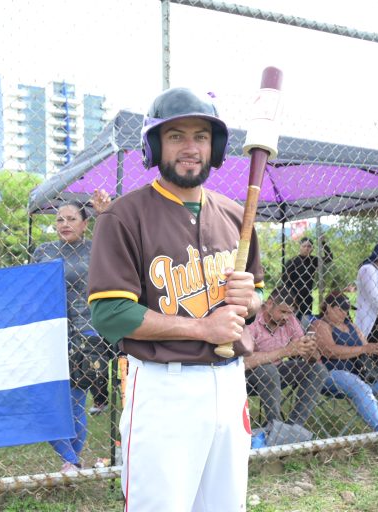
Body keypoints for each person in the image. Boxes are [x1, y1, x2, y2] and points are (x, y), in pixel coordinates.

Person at [88, 87, 264, 511]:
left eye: (201, 136)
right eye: (177, 136)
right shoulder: (124, 216)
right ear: (154, 145)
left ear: (214, 147)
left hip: (229, 380)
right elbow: (110, 314)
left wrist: (250, 300)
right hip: (166, 387)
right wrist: (203, 327)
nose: (191, 147)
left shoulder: (236, 214)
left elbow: (255, 296)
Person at [31, 190, 111, 472]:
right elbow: (30, 287)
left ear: (84, 223)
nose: (64, 224)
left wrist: (105, 214)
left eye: (71, 219)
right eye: (59, 219)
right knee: (45, 397)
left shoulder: (96, 248)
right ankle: (71, 458)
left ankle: (70, 460)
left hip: (86, 333)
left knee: (76, 398)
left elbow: (120, 247)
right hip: (51, 331)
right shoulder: (43, 251)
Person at [313, 292, 378, 432]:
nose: (344, 313)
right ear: (329, 307)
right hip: (331, 374)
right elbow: (330, 351)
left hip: (361, 373)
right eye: (340, 309)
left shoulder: (352, 326)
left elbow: (365, 349)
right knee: (359, 385)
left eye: (347, 309)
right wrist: (364, 348)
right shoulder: (320, 325)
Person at [245, 286, 328, 430]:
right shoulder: (252, 318)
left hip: (276, 372)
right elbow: (244, 362)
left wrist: (311, 351)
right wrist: (286, 351)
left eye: (290, 313)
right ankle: (276, 426)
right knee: (269, 370)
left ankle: (293, 428)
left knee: (318, 370)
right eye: (282, 311)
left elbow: (310, 356)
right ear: (269, 303)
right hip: (248, 376)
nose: (286, 317)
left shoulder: (290, 320)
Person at [281, 236, 333, 321]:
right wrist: (290, 296)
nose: (306, 248)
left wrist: (323, 243)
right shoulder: (292, 261)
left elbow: (329, 258)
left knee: (306, 321)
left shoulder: (313, 260)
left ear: (312, 249)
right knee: (293, 321)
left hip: (307, 297)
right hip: (294, 297)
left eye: (309, 246)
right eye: (304, 246)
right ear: (300, 247)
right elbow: (286, 281)